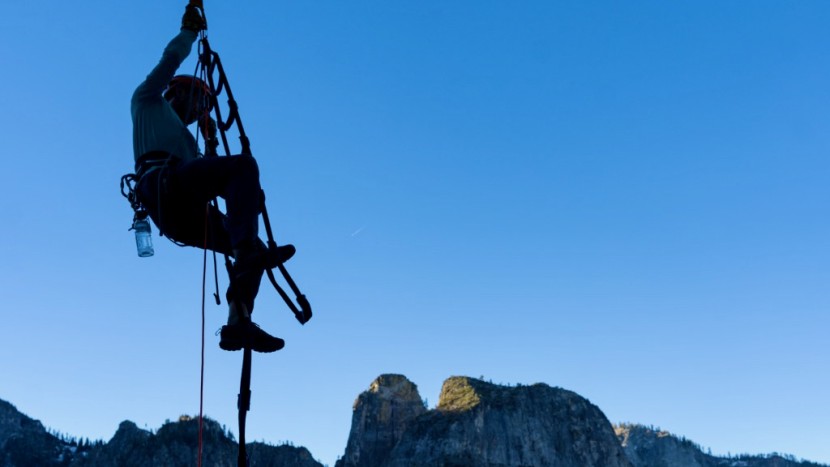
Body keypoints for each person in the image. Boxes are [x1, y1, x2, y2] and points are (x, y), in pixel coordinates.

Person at [131, 4, 294, 353]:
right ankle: (245, 252)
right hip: (166, 185)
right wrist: (189, 32)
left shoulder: (188, 141)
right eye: (197, 101)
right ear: (176, 92)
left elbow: (213, 180)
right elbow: (168, 61)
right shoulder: (147, 102)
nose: (197, 111)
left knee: (256, 247)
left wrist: (208, 143)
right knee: (244, 168)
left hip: (182, 213)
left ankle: (238, 321)